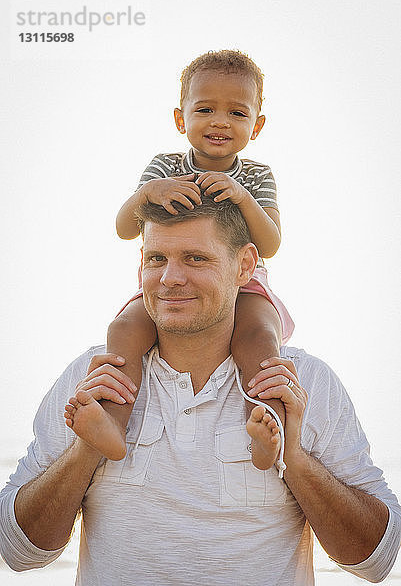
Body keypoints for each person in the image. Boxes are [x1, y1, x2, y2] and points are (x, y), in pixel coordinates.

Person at [0, 196, 400, 585]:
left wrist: (294, 460)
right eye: (157, 259)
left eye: (196, 258)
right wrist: (86, 449)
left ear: (245, 266)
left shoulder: (301, 382)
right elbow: (19, 551)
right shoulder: (93, 377)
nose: (171, 278)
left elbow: (375, 560)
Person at [98, 49, 295, 471]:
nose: (220, 121)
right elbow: (124, 228)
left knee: (259, 338)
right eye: (204, 109)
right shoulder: (164, 166)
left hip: (247, 280)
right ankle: (112, 422)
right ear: (180, 118)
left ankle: (266, 429)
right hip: (176, 274)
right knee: (124, 329)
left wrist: (242, 198)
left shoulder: (257, 176)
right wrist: (147, 194)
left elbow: (271, 243)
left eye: (237, 113)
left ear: (257, 126)